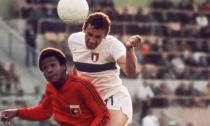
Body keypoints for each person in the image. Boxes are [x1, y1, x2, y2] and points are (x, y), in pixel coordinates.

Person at [0, 47, 110, 126]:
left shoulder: (82, 85)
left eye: (53, 65)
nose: (49, 70)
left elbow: (103, 116)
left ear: (63, 66)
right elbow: (44, 111)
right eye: (45, 68)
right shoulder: (50, 88)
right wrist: (17, 112)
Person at [68, 12, 142, 125]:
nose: (92, 40)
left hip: (113, 95)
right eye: (90, 34)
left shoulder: (113, 45)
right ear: (84, 30)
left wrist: (129, 49)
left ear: (105, 36)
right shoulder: (74, 40)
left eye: (98, 37)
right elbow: (77, 67)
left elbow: (130, 71)